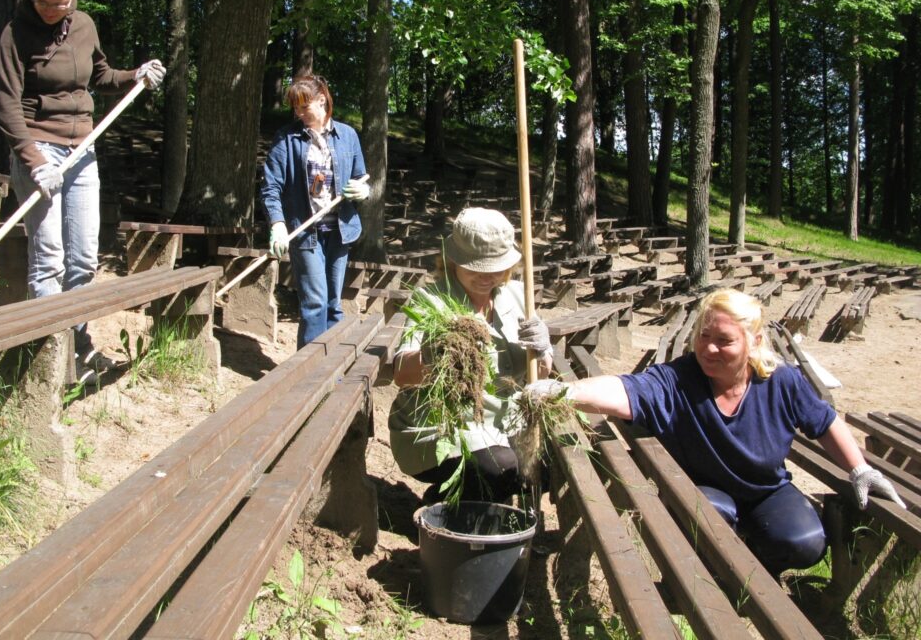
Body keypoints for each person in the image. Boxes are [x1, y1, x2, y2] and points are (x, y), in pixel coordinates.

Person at [525, 288, 906, 574]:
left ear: (754, 343)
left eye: (724, 341)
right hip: (702, 492)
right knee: (711, 519)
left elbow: (824, 423)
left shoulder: (782, 382)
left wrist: (860, 469)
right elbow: (623, 390)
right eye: (704, 336)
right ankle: (720, 576)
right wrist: (563, 391)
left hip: (765, 491)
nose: (709, 348)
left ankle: (753, 564)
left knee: (804, 543)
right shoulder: (677, 379)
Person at [0, 0, 165, 385]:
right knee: (48, 256)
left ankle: (79, 348)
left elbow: (102, 75)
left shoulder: (85, 24)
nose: (50, 11)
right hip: (39, 149)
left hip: (81, 151)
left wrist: (137, 76)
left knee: (84, 258)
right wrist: (34, 160)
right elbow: (7, 104)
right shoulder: (15, 33)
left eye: (60, 4)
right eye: (43, 3)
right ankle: (49, 360)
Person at [389, 207, 555, 504]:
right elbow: (401, 373)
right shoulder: (431, 300)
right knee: (501, 469)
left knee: (557, 462)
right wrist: (433, 353)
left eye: (493, 269)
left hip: (506, 424)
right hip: (443, 429)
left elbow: (539, 373)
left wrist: (543, 349)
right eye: (475, 267)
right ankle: (450, 503)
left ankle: (471, 497)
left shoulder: (519, 295)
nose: (485, 277)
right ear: (453, 261)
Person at [260, 74, 370, 347]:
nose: (298, 114)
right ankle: (306, 376)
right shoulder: (286, 139)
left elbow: (361, 177)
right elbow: (271, 186)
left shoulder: (348, 136)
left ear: (322, 101)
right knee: (315, 302)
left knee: (334, 304)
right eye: (295, 108)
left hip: (340, 231)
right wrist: (277, 224)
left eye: (303, 107)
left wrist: (364, 191)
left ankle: (330, 373)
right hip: (305, 232)